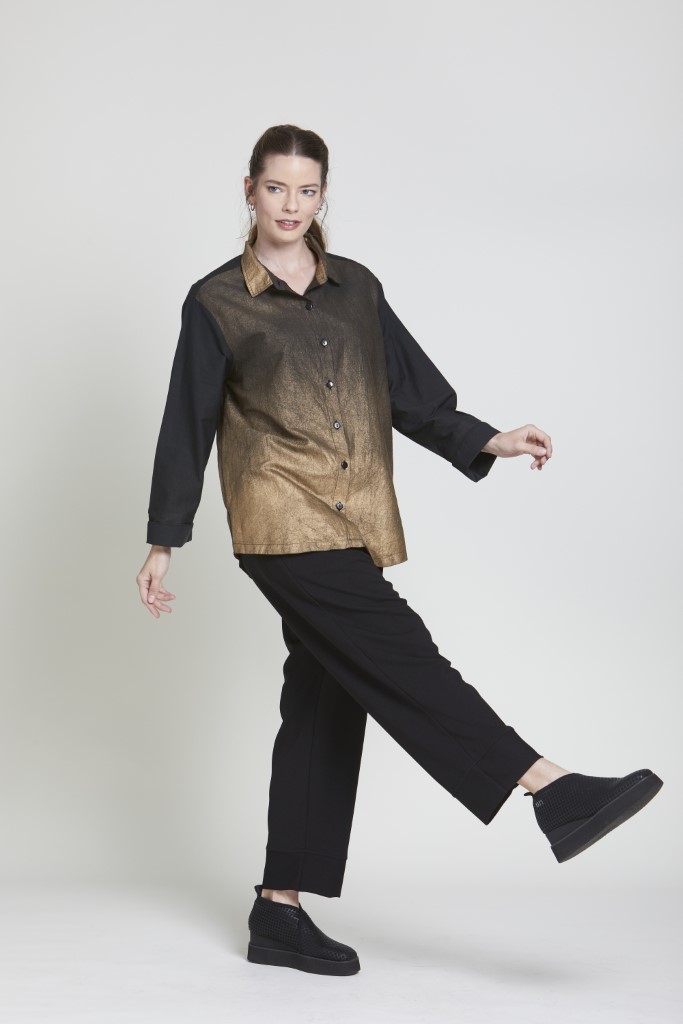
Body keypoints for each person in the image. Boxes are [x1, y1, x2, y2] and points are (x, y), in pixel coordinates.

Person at [135, 124, 663, 978]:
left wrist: (487, 438)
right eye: (277, 188)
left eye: (308, 190)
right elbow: (187, 420)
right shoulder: (216, 301)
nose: (291, 205)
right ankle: (546, 786)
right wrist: (165, 537)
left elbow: (409, 392)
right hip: (280, 519)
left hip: (353, 515)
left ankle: (278, 911)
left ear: (322, 195)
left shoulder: (356, 289)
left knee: (324, 701)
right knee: (405, 657)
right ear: (250, 190)